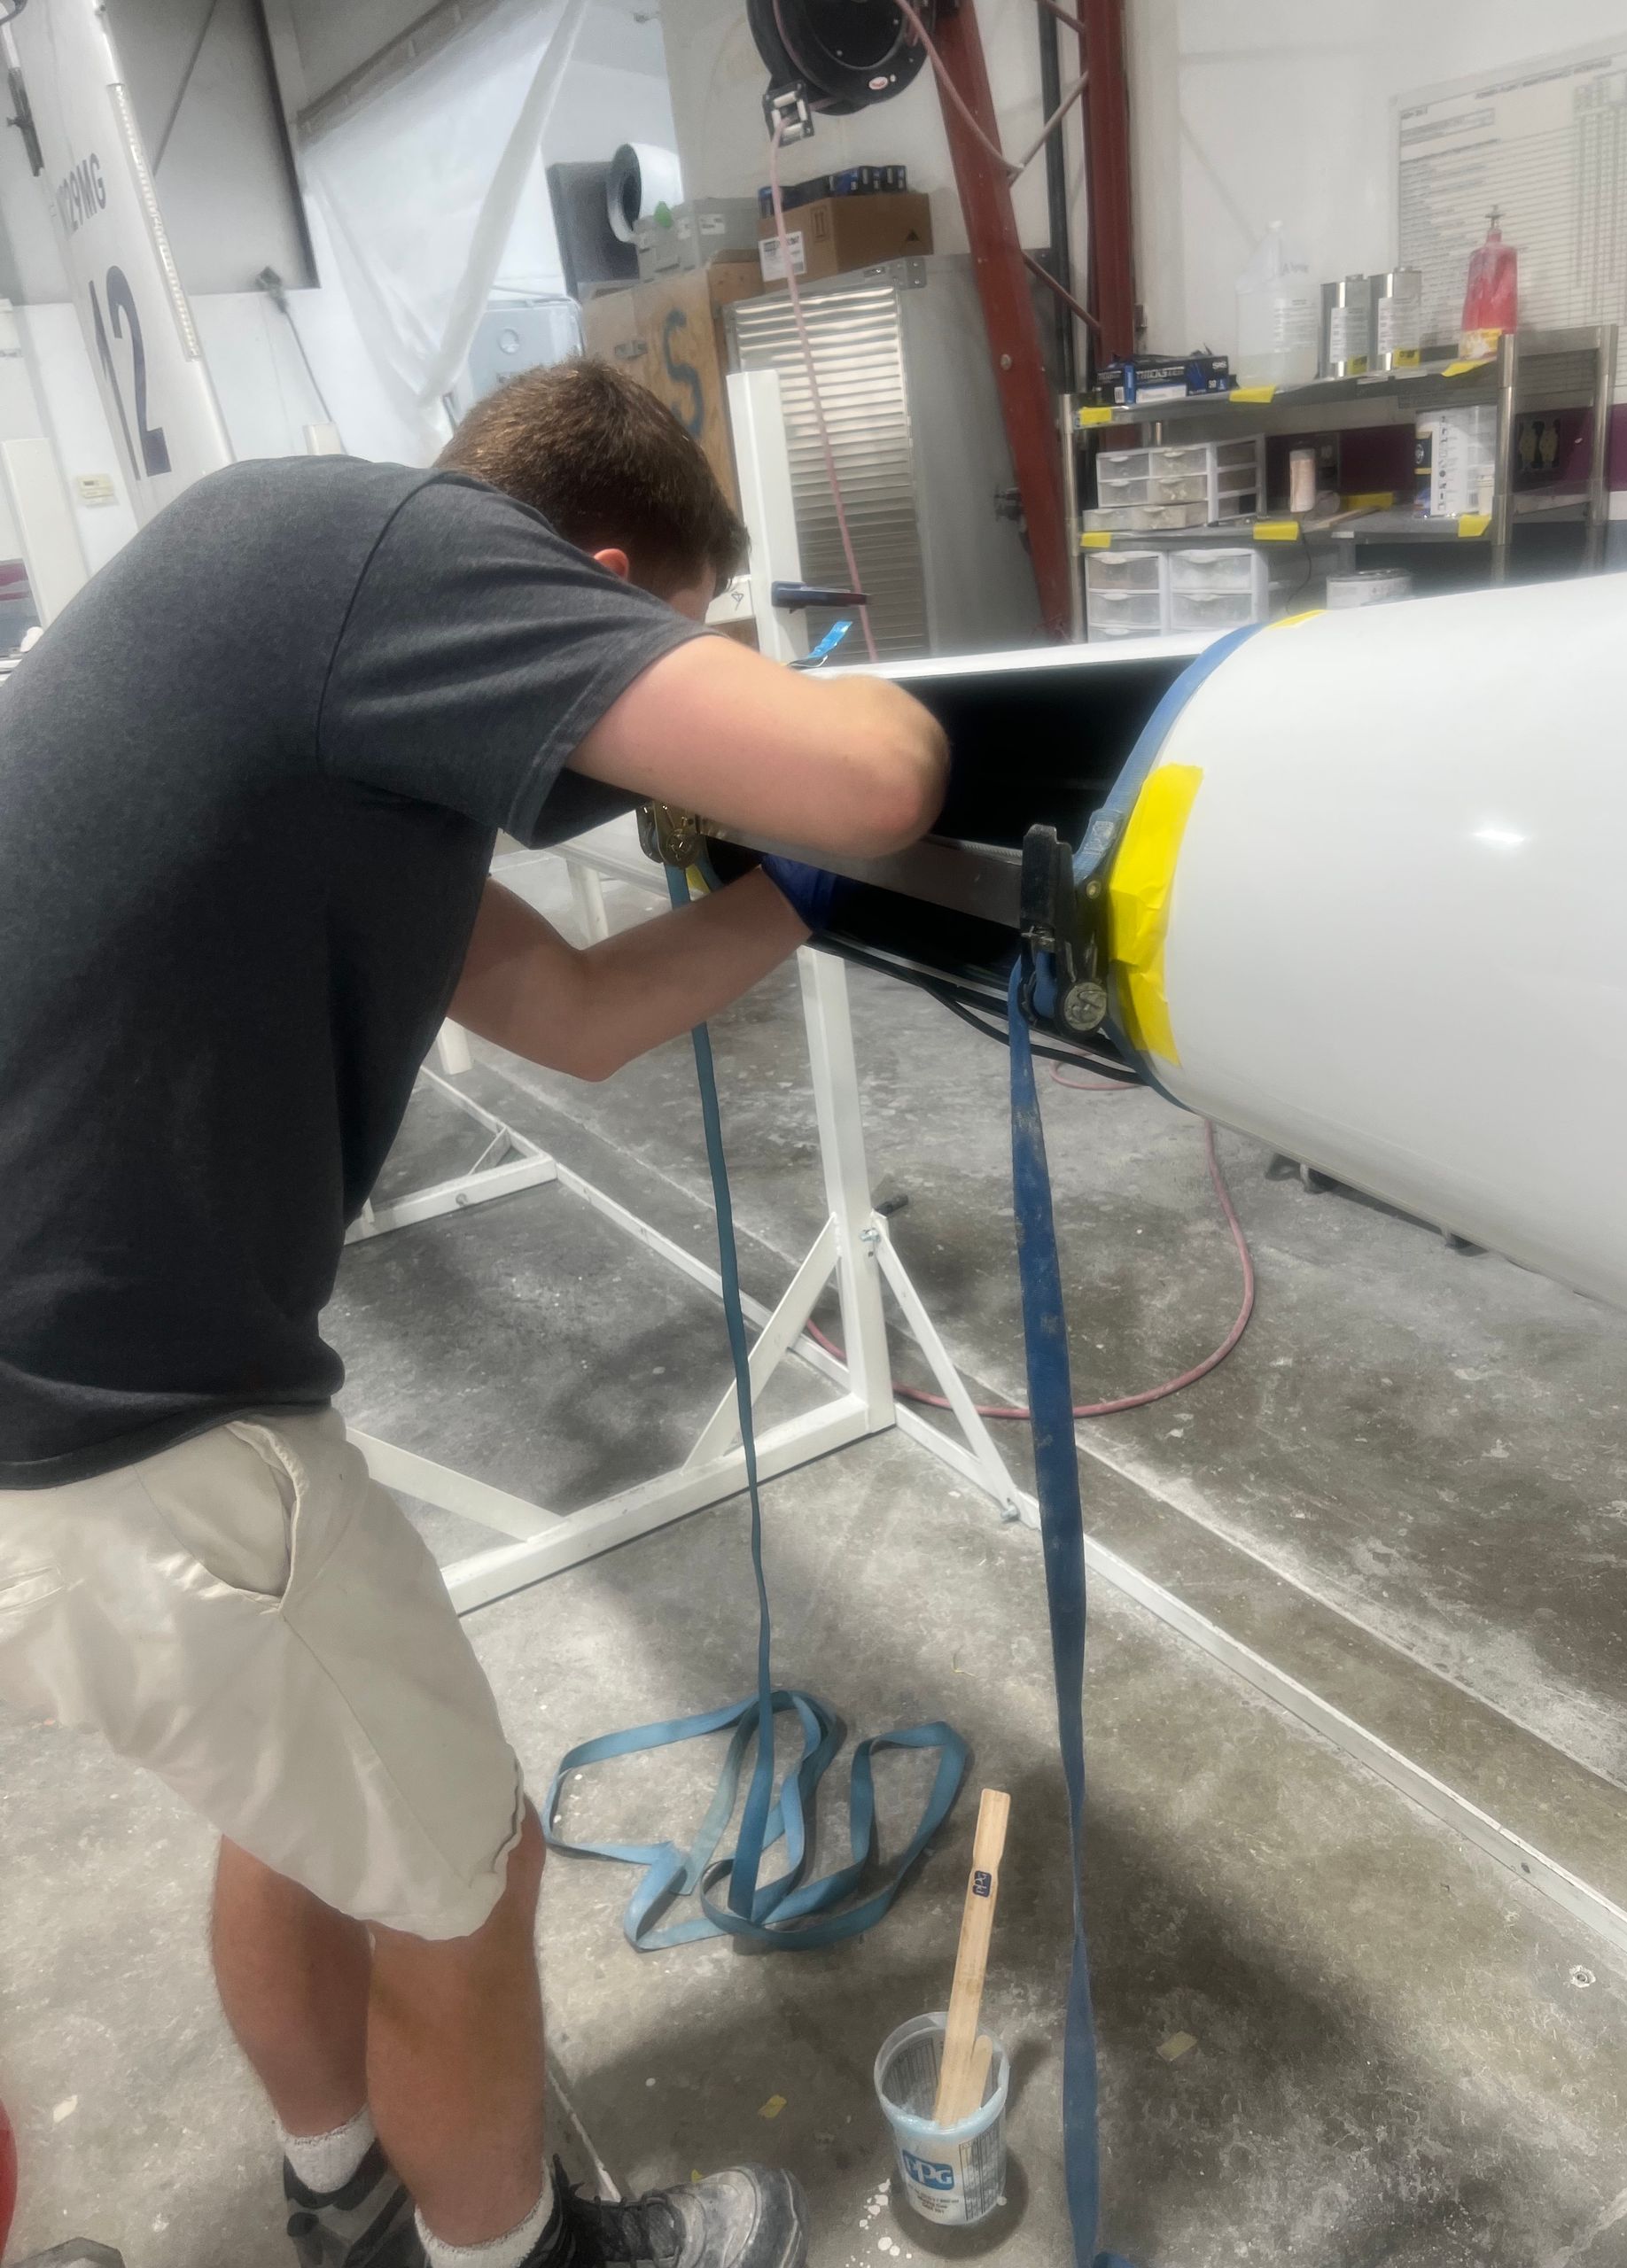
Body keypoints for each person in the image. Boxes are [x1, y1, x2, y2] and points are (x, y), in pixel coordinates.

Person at [0, 361, 948, 2268]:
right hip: (123, 1420)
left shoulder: (337, 701)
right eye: (646, 652)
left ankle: (344, 2179)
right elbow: (877, 769)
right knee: (462, 1876)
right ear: (591, 579)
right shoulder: (385, 550)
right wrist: (902, 737)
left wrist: (790, 900)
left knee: (303, 1811)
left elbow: (579, 1016)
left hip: (63, 1405)